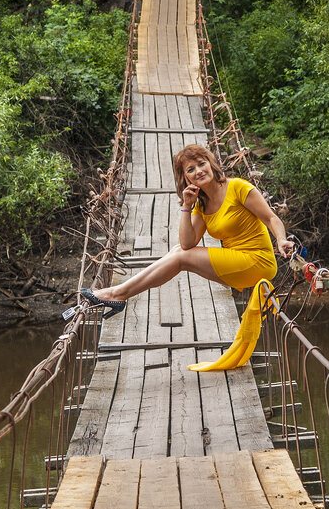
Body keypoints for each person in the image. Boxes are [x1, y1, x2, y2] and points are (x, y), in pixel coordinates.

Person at [83, 144, 293, 370]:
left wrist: (280, 240)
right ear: (185, 178)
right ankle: (118, 294)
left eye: (202, 164)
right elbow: (187, 242)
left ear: (212, 164)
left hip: (257, 262)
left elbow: (271, 218)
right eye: (190, 169)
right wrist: (187, 205)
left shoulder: (239, 188)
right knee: (178, 253)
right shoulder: (202, 203)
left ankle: (118, 294)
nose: (198, 171)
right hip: (237, 262)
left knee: (181, 257)